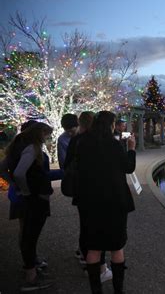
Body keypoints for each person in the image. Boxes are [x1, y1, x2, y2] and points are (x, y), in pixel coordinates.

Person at [76, 111, 136, 294]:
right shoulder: (114, 145)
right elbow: (128, 167)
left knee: (93, 247)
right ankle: (118, 290)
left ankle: (96, 290)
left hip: (90, 201)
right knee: (116, 246)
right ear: (111, 125)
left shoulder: (82, 144)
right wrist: (131, 148)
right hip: (114, 201)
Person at [3, 122, 55, 291]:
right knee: (30, 235)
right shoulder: (32, 148)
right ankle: (31, 277)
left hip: (28, 197)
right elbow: (20, 173)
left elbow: (3, 169)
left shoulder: (17, 146)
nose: (47, 137)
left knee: (26, 234)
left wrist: (15, 185)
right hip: (35, 197)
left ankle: (30, 267)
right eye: (46, 134)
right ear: (38, 133)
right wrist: (25, 189)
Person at [64, 111, 113, 283]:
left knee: (85, 225)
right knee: (98, 228)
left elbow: (66, 164)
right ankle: (98, 267)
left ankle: (85, 257)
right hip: (97, 192)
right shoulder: (95, 141)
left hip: (80, 191)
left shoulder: (75, 140)